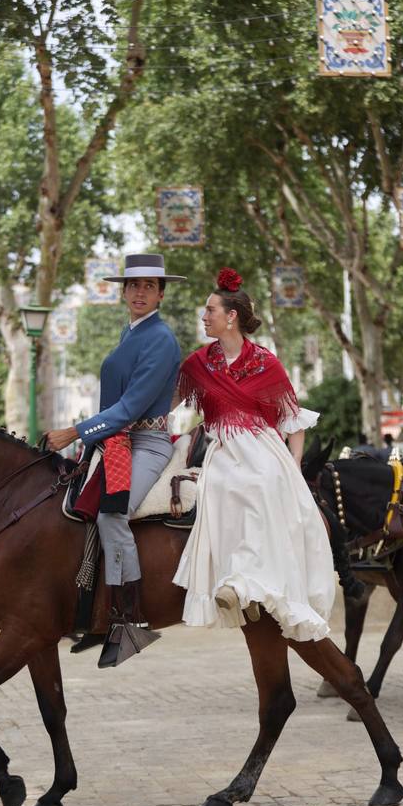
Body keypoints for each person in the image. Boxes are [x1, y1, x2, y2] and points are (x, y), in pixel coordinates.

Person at [172, 267, 335, 642]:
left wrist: (293, 468)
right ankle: (233, 582)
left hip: (264, 448)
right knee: (223, 487)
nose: (204, 317)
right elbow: (169, 400)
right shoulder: (198, 364)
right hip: (223, 450)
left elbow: (293, 421)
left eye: (210, 310)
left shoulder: (266, 362)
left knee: (262, 485)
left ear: (231, 317)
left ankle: (250, 584)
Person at [46, 253, 184, 667]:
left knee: (111, 514)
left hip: (147, 443)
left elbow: (128, 409)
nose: (139, 292)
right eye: (133, 286)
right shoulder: (131, 332)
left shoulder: (161, 339)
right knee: (75, 507)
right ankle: (96, 617)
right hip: (118, 441)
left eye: (148, 286)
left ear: (161, 293)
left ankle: (129, 620)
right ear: (123, 292)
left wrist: (75, 432)